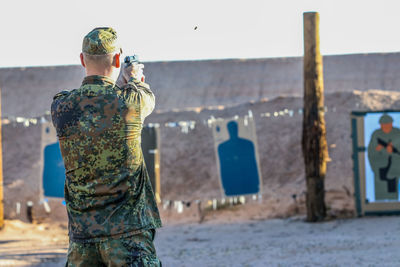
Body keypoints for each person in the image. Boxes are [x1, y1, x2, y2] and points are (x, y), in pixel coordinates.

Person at [51, 27, 162, 266]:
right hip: (129, 239)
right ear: (118, 59)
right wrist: (133, 79)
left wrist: (121, 86)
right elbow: (144, 95)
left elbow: (95, 107)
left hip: (82, 241)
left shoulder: (61, 107)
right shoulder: (131, 102)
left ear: (82, 60)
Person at [367, 114, 400, 201]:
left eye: (388, 124)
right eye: (383, 124)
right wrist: (378, 150)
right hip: (380, 166)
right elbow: (371, 152)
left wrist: (392, 151)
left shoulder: (397, 133)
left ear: (391, 124)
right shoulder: (376, 134)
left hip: (394, 167)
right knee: (380, 191)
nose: (386, 126)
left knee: (392, 191)